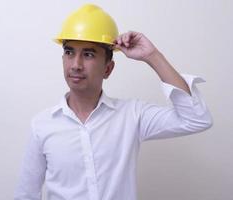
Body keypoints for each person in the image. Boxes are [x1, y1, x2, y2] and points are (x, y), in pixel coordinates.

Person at [14, 4, 213, 200]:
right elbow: (26, 195)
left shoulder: (132, 116)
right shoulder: (42, 125)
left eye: (88, 54)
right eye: (69, 52)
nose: (76, 64)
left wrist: (152, 56)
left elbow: (196, 119)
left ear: (108, 69)